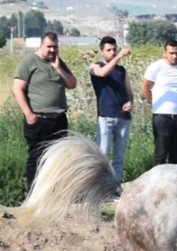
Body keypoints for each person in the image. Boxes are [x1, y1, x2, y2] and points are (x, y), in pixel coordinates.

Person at [13, 31, 77, 191]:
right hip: (39, 119)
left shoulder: (58, 62)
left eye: (55, 47)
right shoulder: (29, 62)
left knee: (57, 159)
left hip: (59, 119)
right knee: (37, 157)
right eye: (49, 47)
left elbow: (72, 84)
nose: (52, 50)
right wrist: (29, 114)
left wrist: (58, 68)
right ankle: (32, 195)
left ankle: (51, 194)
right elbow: (17, 89)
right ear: (41, 45)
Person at [90, 36, 133, 181]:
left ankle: (115, 187)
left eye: (114, 49)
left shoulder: (122, 71)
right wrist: (120, 56)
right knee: (102, 156)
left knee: (118, 158)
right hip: (105, 117)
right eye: (109, 50)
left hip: (123, 117)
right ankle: (100, 187)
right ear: (102, 51)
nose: (113, 52)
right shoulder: (95, 67)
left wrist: (130, 102)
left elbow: (129, 91)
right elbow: (102, 73)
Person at [142, 39, 177, 166]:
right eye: (171, 53)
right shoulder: (156, 67)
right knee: (161, 155)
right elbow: (146, 88)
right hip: (162, 117)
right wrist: (154, 103)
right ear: (165, 53)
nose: (175, 56)